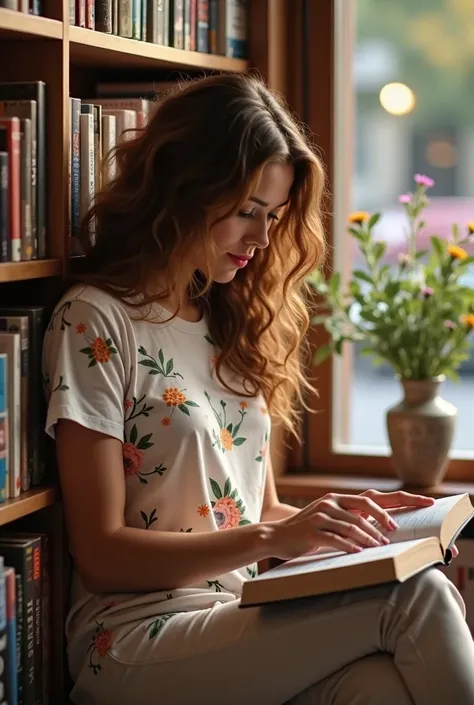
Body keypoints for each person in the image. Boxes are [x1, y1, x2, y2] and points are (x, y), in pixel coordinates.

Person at [42, 73, 474, 705]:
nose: (263, 238)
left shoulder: (230, 323)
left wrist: (344, 522)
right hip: (133, 638)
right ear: (184, 189)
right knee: (420, 597)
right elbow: (101, 553)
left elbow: (258, 512)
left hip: (236, 611)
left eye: (272, 216)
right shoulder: (96, 319)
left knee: (382, 686)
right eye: (247, 211)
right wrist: (277, 538)